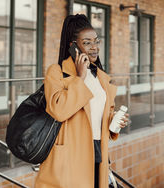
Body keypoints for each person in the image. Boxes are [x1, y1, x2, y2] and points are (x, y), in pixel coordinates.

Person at [35, 14, 129, 188]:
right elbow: (59, 111)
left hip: (98, 150)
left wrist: (113, 120)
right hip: (70, 155)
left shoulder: (99, 76)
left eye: (96, 41)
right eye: (87, 42)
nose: (94, 47)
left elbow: (98, 115)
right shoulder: (57, 72)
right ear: (73, 47)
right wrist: (80, 77)